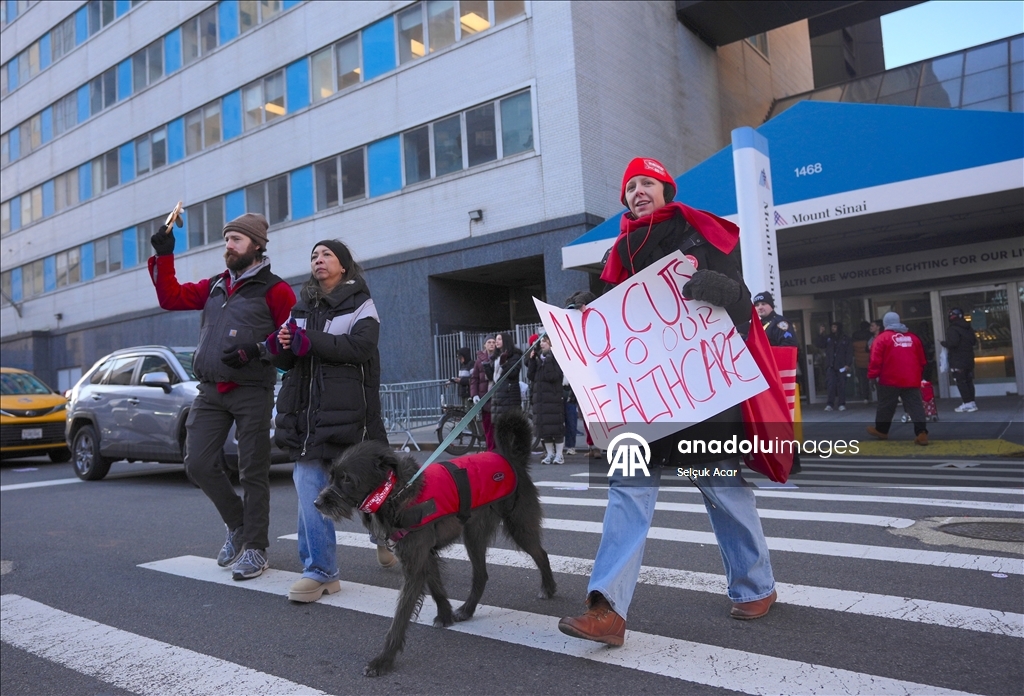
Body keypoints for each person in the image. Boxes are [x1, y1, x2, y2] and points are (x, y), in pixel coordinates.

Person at [558, 157, 777, 647]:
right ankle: (607, 609)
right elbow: (615, 335)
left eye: (647, 183)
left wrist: (729, 292)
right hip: (644, 402)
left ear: (665, 190)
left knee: (724, 491)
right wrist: (583, 318)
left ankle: (755, 584)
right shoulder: (617, 256)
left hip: (703, 398)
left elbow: (742, 309)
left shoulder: (702, 235)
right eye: (630, 185)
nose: (638, 190)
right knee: (627, 490)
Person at [149, 212, 295, 580]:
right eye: (226, 239)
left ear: (256, 246)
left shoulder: (276, 290)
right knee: (197, 463)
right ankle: (238, 525)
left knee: (253, 471)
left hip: (251, 391)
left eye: (236, 240)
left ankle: (257, 549)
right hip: (210, 390)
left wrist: (256, 350)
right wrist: (164, 256)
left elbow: (291, 338)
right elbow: (170, 297)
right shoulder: (216, 285)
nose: (227, 246)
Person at [269, 240, 394, 602]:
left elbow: (360, 348)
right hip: (307, 417)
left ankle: (383, 536)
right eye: (313, 255)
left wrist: (311, 340)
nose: (318, 260)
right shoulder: (300, 306)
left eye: (326, 255)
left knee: (370, 486)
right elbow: (288, 360)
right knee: (309, 482)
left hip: (352, 418)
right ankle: (321, 571)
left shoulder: (362, 304)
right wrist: (282, 344)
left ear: (343, 265)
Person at [866, 311, 929, 446]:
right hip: (911, 379)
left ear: (885, 324)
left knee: (886, 406)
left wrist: (872, 377)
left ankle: (882, 430)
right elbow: (922, 360)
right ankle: (921, 433)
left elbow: (875, 361)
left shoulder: (882, 339)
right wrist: (918, 375)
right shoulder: (913, 338)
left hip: (889, 379)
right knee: (915, 406)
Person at [526, 334, 565, 464]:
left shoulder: (556, 358)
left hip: (553, 398)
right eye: (540, 342)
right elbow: (530, 375)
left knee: (556, 428)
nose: (542, 344)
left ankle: (559, 454)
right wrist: (532, 360)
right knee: (544, 429)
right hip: (541, 399)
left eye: (544, 341)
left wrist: (547, 360)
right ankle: (550, 454)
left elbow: (552, 376)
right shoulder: (538, 359)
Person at [941, 308, 978, 413]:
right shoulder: (968, 328)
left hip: (958, 359)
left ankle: (967, 403)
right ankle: (971, 402)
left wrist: (944, 343)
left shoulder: (952, 329)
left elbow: (953, 343)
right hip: (969, 358)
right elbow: (973, 341)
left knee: (961, 381)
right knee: (968, 381)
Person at [816, 322, 852, 411]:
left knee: (841, 385)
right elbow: (820, 344)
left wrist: (848, 364)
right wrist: (821, 334)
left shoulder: (845, 339)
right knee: (831, 385)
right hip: (831, 365)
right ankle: (830, 404)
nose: (833, 329)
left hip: (841, 365)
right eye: (832, 327)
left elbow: (849, 352)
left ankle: (841, 404)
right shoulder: (829, 338)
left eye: (835, 327)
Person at [470, 337, 497, 451]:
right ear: (484, 345)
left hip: (496, 396)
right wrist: (474, 394)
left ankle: (496, 449)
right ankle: (490, 448)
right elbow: (474, 379)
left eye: (493, 342)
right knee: (487, 424)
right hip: (484, 397)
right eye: (489, 342)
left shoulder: (499, 358)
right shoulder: (478, 361)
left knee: (496, 425)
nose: (491, 344)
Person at [490, 332, 523, 419]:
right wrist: (487, 367)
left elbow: (513, 373)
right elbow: (493, 378)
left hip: (509, 396)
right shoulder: (496, 357)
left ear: (506, 341)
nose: (496, 342)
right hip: (497, 396)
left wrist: (504, 364)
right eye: (496, 339)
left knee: (509, 424)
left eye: (499, 339)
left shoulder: (514, 355)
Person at [851, 321, 872, 402]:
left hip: (859, 361)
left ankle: (865, 396)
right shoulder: (869, 335)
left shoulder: (855, 336)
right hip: (869, 360)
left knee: (863, 380)